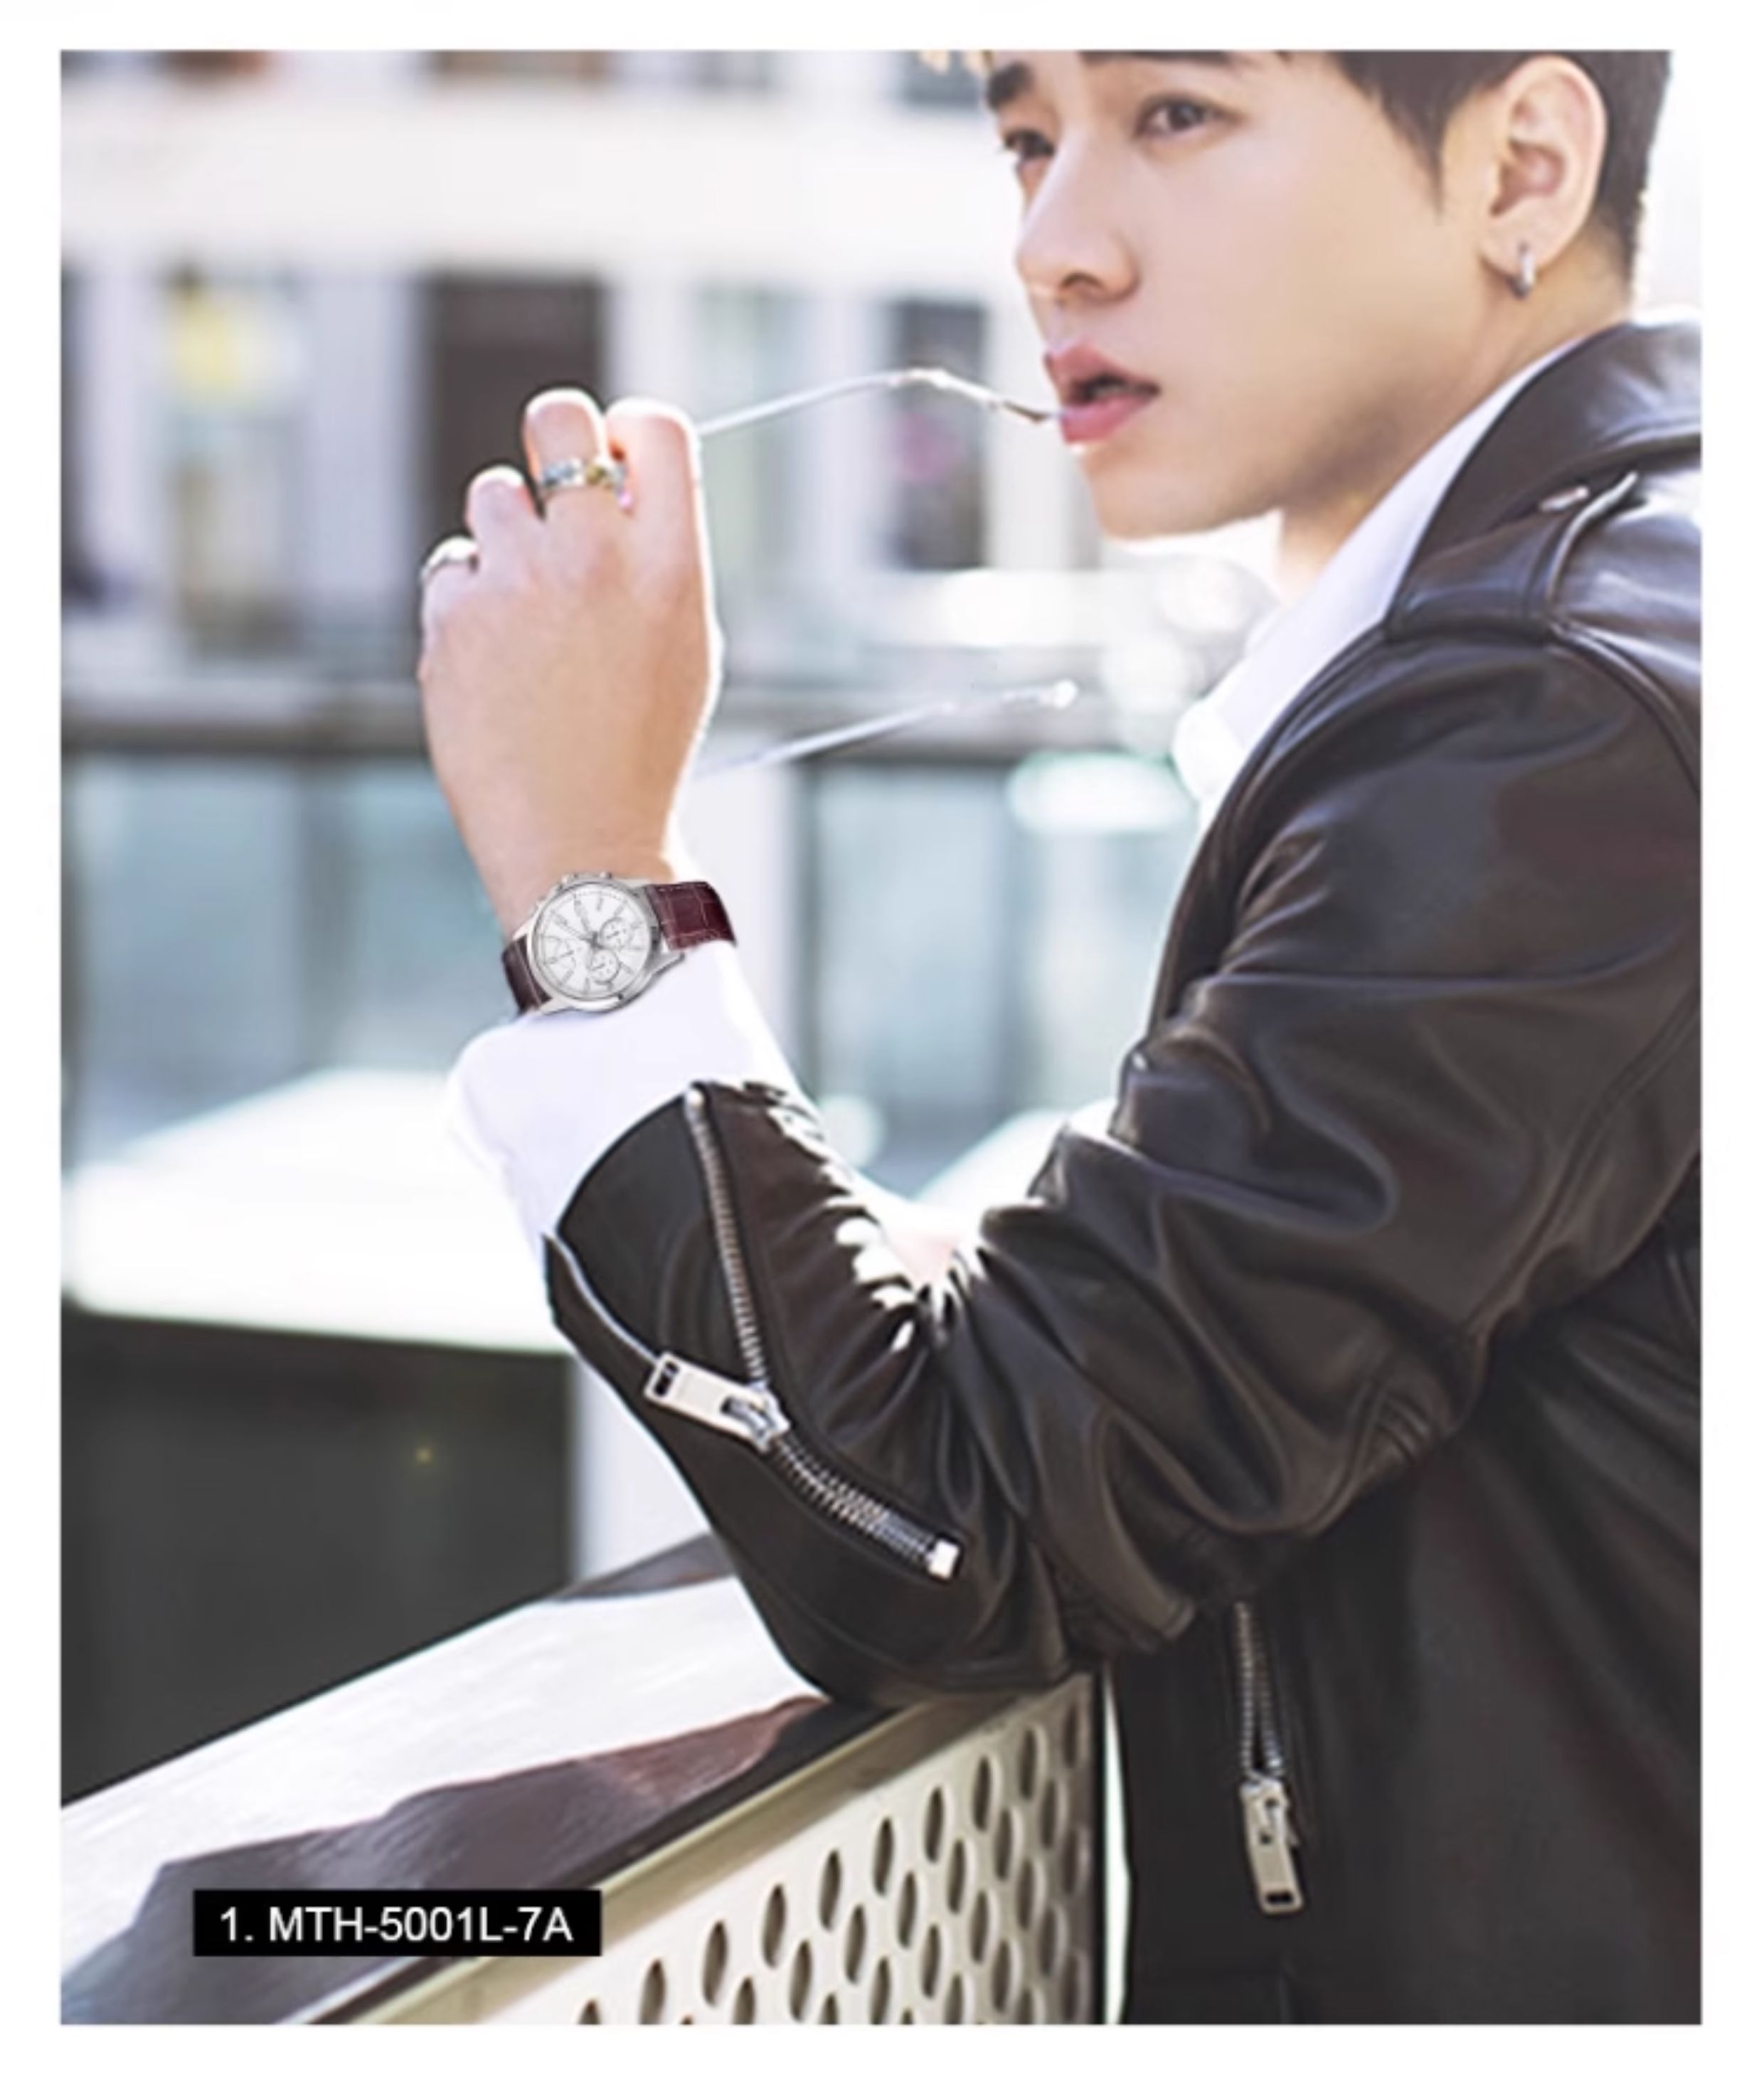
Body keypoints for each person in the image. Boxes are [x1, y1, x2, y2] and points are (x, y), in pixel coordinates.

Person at [416, 51, 1697, 2024]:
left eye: (1176, 112)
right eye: (1027, 137)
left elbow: (955, 1520)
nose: (1052, 246)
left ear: (1521, 163)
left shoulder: (1550, 718)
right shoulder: (1601, 626)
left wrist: (590, 872)